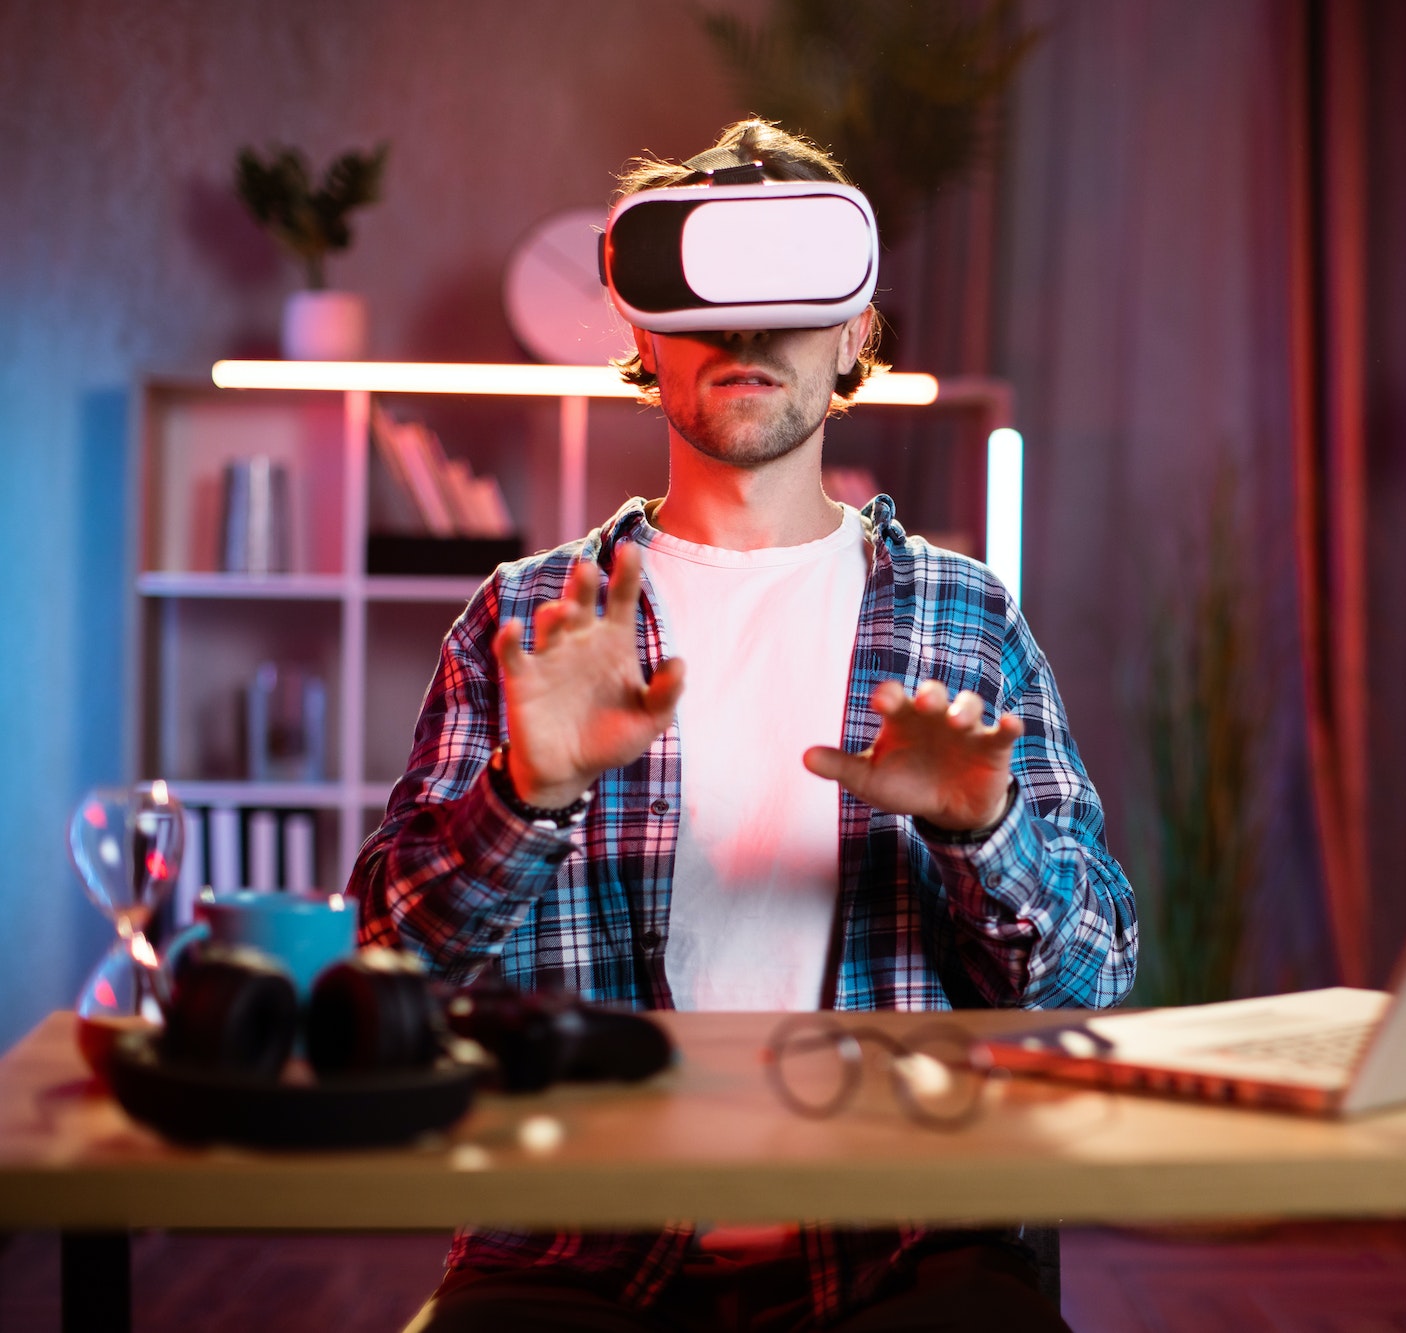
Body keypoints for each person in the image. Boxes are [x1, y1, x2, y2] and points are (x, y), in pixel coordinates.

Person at [352, 119, 1137, 1332]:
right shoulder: (527, 619)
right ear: (643, 330)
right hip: (573, 1256)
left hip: (904, 1252)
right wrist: (524, 794)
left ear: (854, 332)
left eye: (793, 288)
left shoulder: (964, 618)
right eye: (708, 288)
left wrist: (986, 832)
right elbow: (383, 972)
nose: (749, 329)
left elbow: (1087, 981)